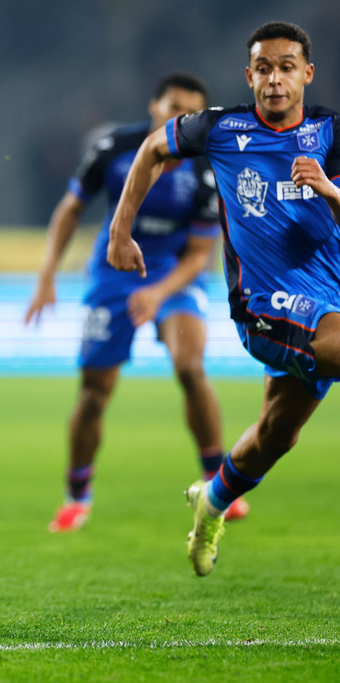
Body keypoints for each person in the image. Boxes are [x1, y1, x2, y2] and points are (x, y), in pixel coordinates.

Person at [107, 22, 340, 576]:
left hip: (327, 295)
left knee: (276, 435)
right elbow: (150, 148)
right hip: (263, 305)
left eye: (287, 67)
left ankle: (211, 500)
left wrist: (329, 190)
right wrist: (120, 231)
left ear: (307, 74)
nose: (275, 79)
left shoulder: (330, 133)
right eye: (264, 68)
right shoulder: (220, 130)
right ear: (249, 75)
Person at [26, 73, 246, 532]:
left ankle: (216, 482)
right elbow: (70, 209)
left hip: (171, 276)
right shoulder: (114, 148)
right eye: (172, 108)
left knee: (191, 366)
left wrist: (157, 292)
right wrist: (46, 276)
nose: (179, 119)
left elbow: (199, 256)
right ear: (154, 106)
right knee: (93, 394)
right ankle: (76, 497)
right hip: (113, 275)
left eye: (191, 113)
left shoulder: (206, 169)